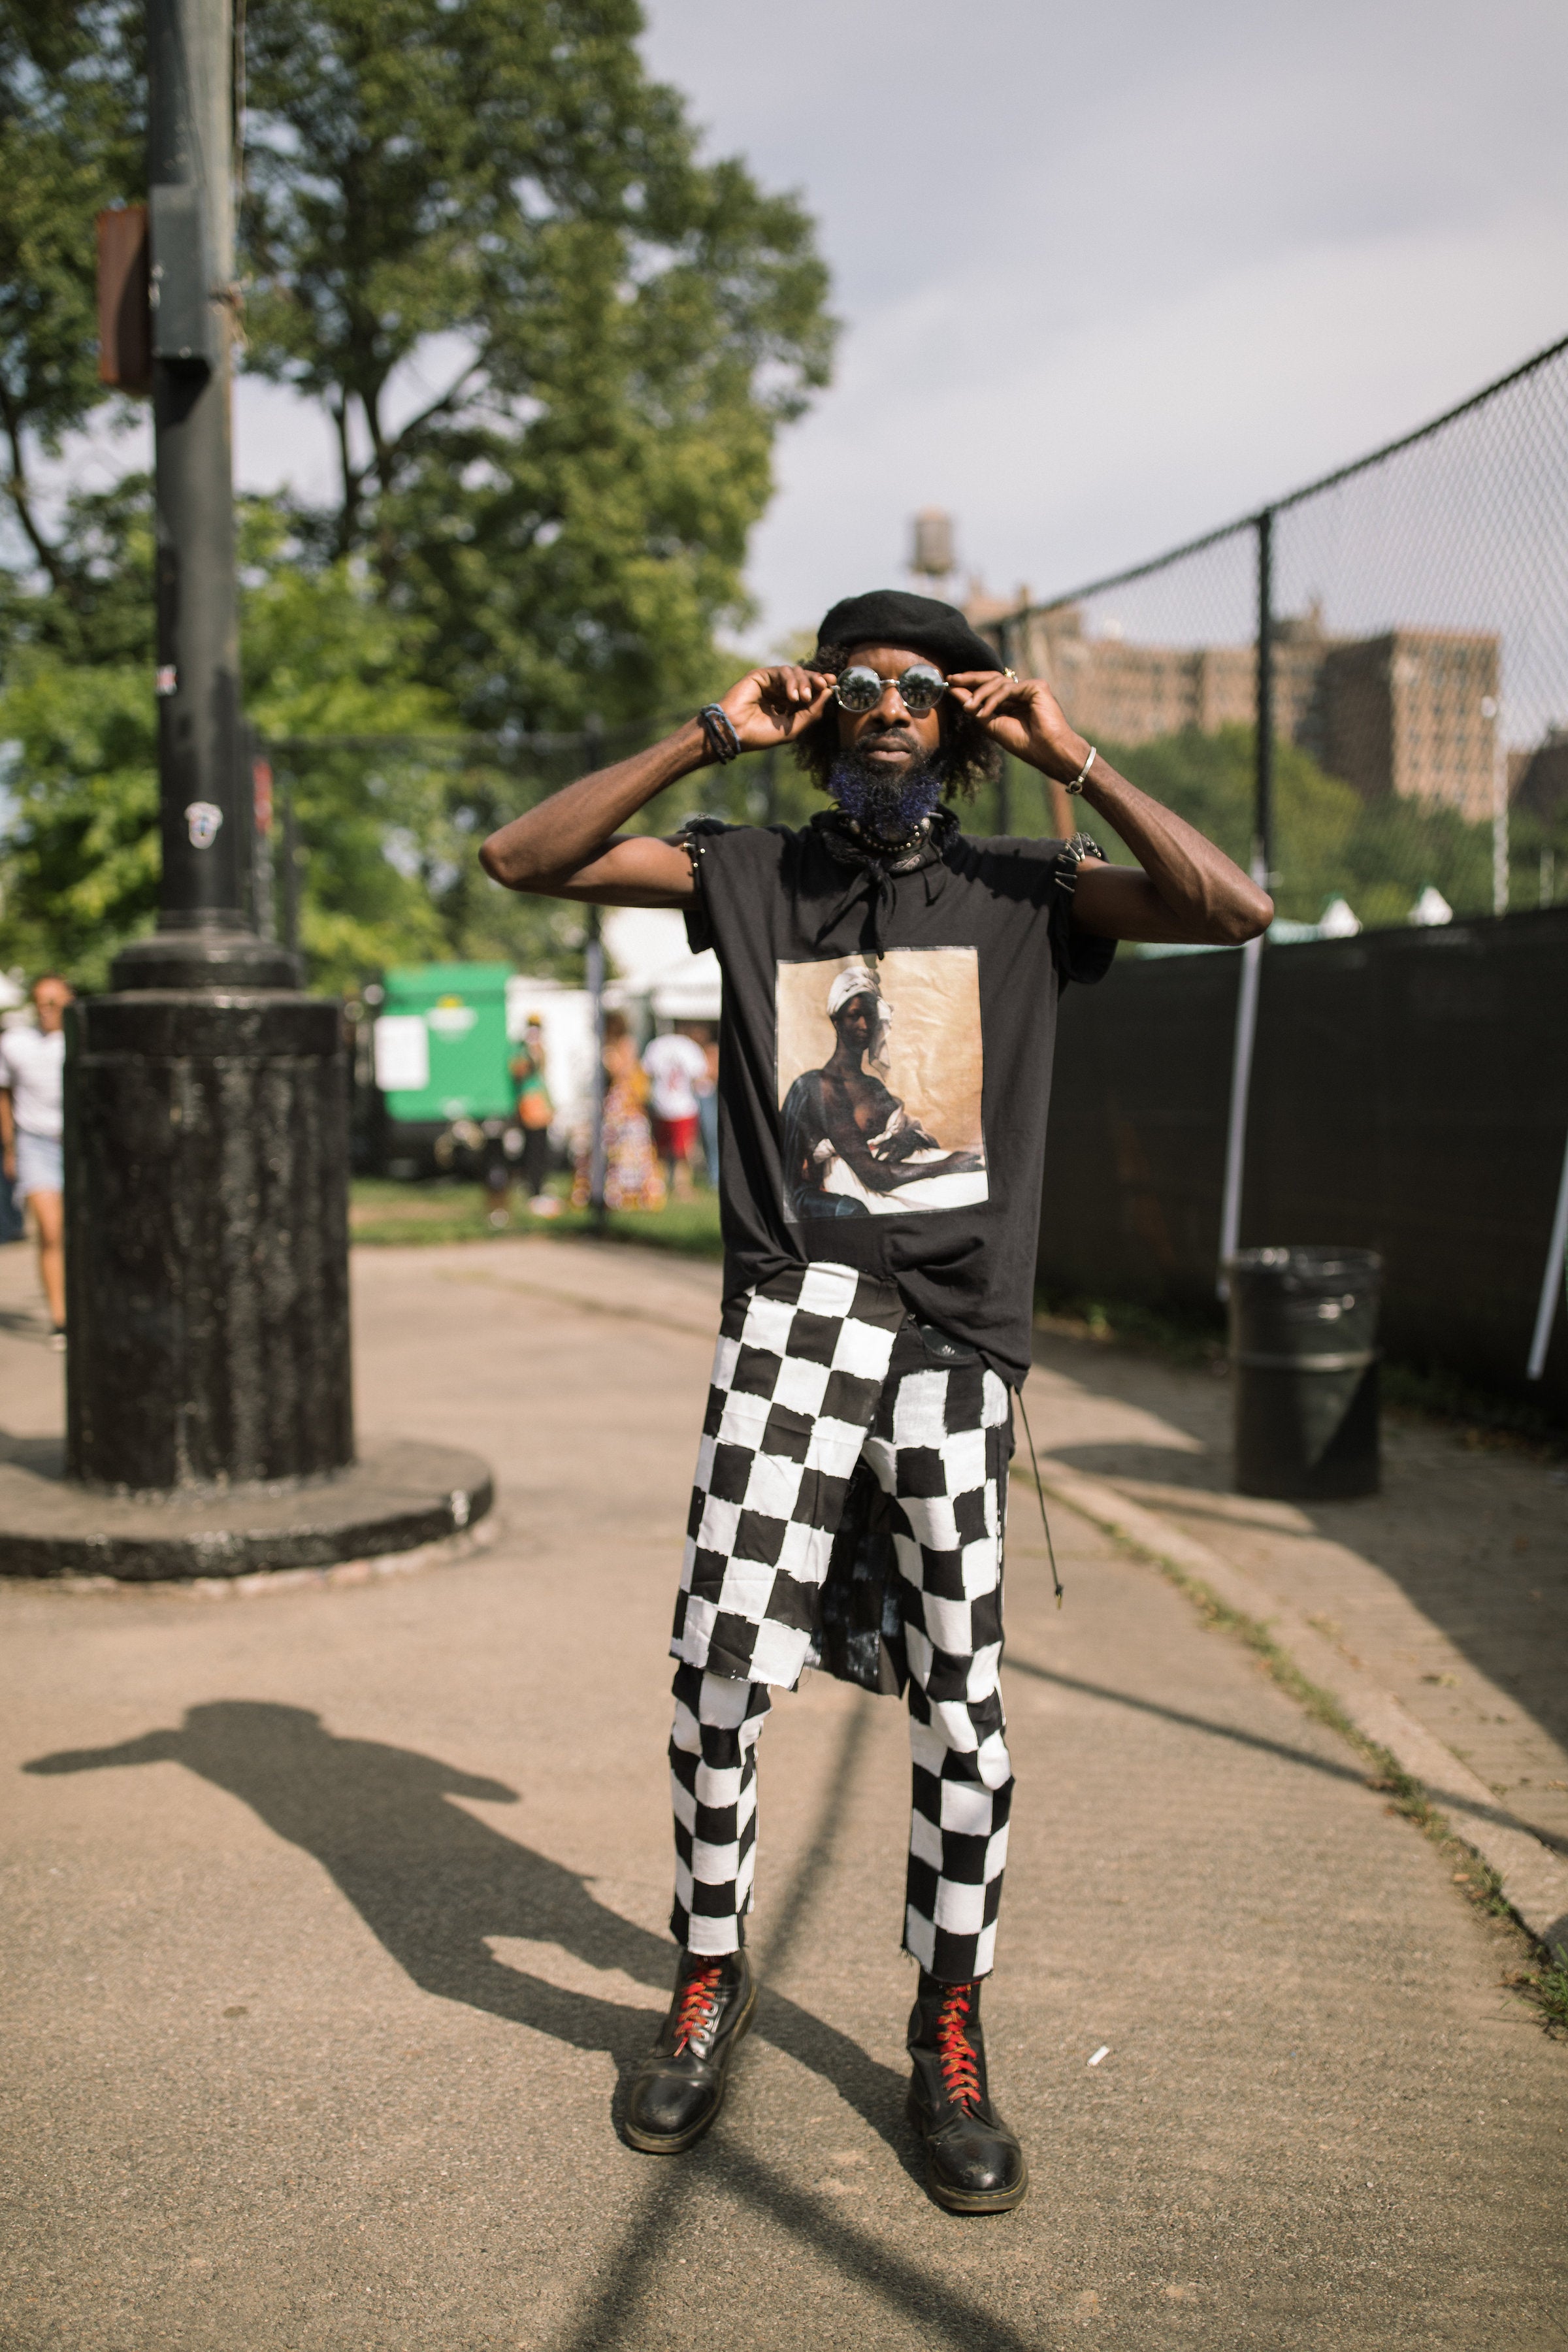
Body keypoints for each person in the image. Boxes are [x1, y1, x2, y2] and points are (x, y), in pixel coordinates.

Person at [480, 587, 1270, 2212]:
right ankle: (709, 1970)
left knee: (959, 1713)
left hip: (952, 1339)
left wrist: (1079, 755)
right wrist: (710, 730)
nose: (890, 702)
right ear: (821, 706)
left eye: (923, 685)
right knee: (714, 1668)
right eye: (860, 680)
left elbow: (1232, 908)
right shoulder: (747, 868)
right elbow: (520, 859)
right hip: (791, 1328)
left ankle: (945, 2017)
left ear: (963, 725)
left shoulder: (1026, 886)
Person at [0, 973, 74, 1348]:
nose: (46, 1011)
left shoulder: (81, 1040)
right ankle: (60, 1320)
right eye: (40, 1003)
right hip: (37, 1143)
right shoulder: (16, 1043)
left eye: (54, 1003)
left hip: (79, 1144)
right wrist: (10, 1147)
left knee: (81, 1234)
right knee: (50, 1230)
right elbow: (5, 1094)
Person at [570, 1013, 666, 1212]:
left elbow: (622, 1070)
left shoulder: (623, 1044)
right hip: (619, 1101)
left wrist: (608, 1062)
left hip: (624, 1101)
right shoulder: (622, 1043)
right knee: (615, 1149)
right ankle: (616, 1193)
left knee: (626, 1150)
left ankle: (628, 1194)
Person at [642, 1024, 710, 1198]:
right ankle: (681, 1187)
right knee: (683, 1151)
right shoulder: (689, 1049)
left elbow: (646, 1073)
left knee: (663, 1150)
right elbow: (700, 1078)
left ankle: (661, 1185)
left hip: (662, 1104)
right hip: (683, 1106)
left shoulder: (658, 1046)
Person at [510, 1016, 559, 1217]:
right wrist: (530, 1056)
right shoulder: (519, 1050)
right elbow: (519, 1073)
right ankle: (533, 1188)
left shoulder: (540, 1049)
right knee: (533, 1147)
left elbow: (543, 1073)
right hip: (530, 1103)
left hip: (541, 1101)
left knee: (541, 1146)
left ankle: (539, 1185)